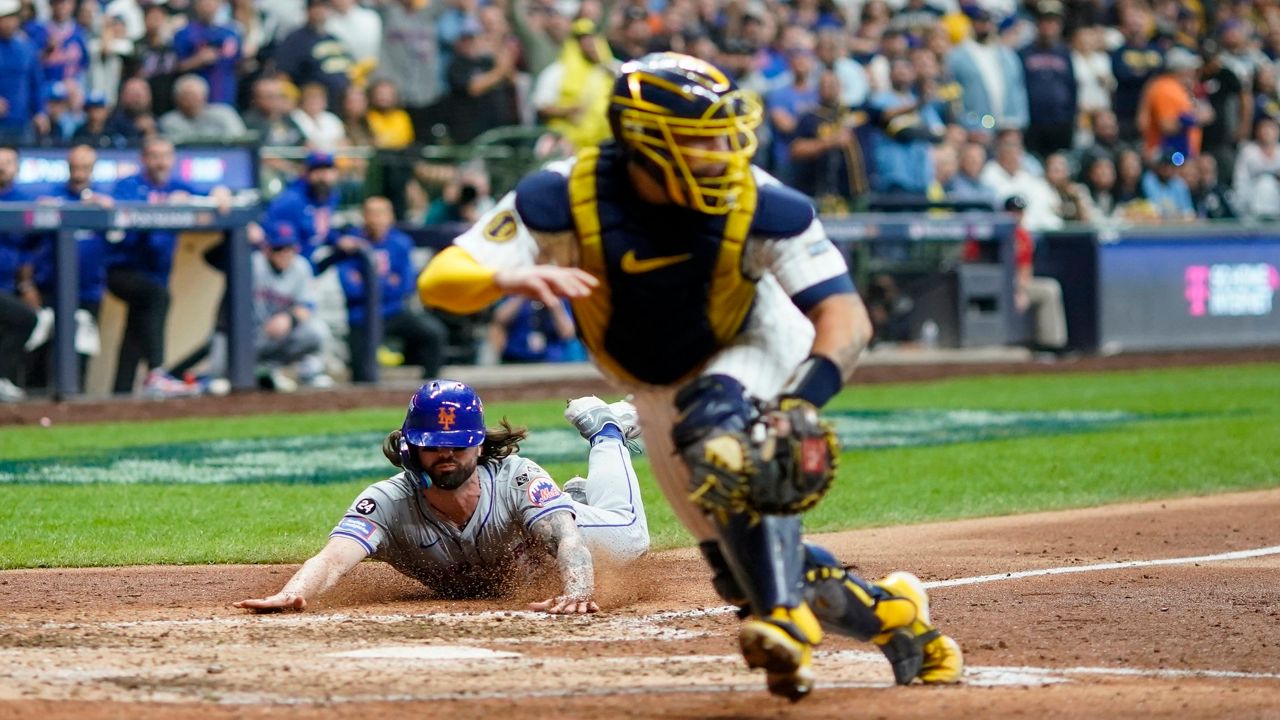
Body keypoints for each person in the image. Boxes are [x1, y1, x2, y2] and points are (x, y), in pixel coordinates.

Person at [415, 53, 963, 701]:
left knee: (722, 439)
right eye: (701, 138)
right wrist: (506, 276)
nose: (722, 151)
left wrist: (802, 403)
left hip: (757, 340)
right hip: (657, 384)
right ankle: (897, 619)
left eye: (724, 135)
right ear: (646, 141)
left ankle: (780, 618)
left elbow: (846, 318)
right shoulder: (562, 194)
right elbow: (441, 282)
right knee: (739, 568)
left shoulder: (762, 201)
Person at [234, 381, 650, 613]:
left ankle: (607, 429)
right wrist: (293, 592)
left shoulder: (516, 479)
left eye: (458, 444)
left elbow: (567, 540)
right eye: (433, 445)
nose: (446, 455)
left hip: (560, 527)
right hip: (543, 523)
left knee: (630, 537)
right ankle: (574, 495)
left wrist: (577, 591)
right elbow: (331, 560)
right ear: (411, 448)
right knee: (555, 523)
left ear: (479, 446)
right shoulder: (387, 502)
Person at [107, 136, 225, 397]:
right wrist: (162, 205)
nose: (160, 162)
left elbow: (208, 197)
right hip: (122, 269)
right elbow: (119, 222)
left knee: (136, 331)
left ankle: (121, 392)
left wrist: (219, 193)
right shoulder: (129, 186)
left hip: (157, 273)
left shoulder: (177, 185)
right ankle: (156, 373)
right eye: (154, 156)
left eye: (165, 156)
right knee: (157, 298)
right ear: (144, 159)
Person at [333, 196, 448, 381]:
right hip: (362, 316)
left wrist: (371, 282)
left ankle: (429, 388)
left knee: (433, 332)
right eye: (372, 214)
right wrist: (387, 281)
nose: (376, 219)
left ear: (391, 217)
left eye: (381, 214)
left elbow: (406, 285)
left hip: (394, 311)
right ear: (364, 217)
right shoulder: (352, 244)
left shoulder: (400, 243)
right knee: (362, 374)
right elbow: (351, 288)